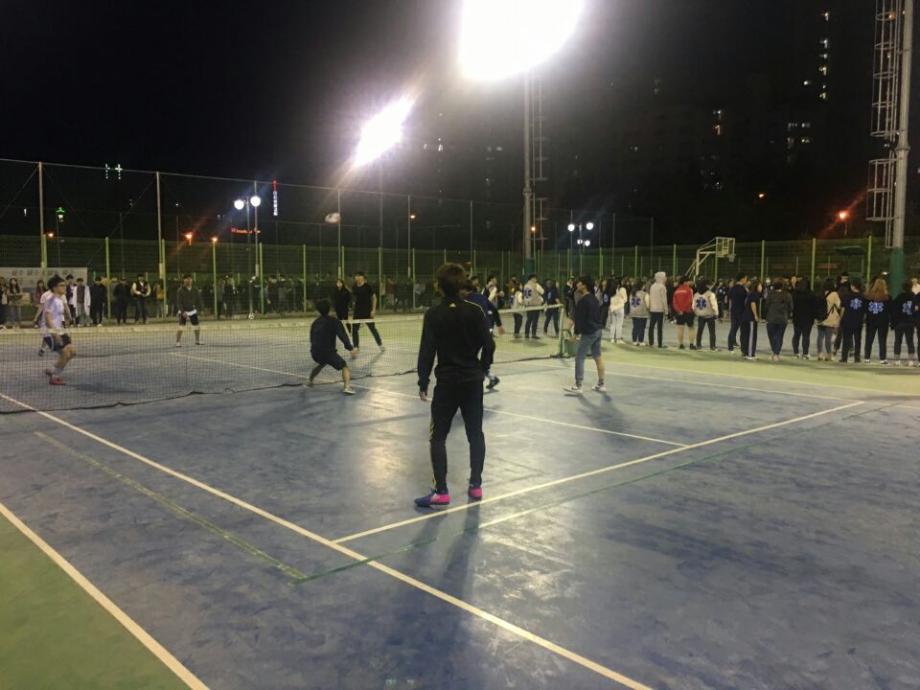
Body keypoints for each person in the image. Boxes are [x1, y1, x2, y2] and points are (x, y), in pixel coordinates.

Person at [415, 263, 495, 508]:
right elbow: (489, 345)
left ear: (439, 286)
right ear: (461, 284)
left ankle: (441, 491)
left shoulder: (433, 314)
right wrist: (482, 368)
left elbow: (427, 351)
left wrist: (423, 380)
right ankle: (476, 485)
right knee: (475, 434)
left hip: (447, 383)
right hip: (472, 382)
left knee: (438, 436)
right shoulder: (475, 311)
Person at [565, 276, 606, 394]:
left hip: (589, 332)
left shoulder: (583, 301)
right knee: (597, 356)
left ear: (584, 285)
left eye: (579, 283)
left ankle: (578, 386)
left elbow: (580, 320)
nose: (577, 284)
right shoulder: (594, 299)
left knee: (579, 357)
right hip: (598, 330)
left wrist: (575, 334)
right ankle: (601, 384)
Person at [308, 298, 358, 394]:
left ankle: (310, 381)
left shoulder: (315, 323)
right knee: (344, 366)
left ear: (318, 310)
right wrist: (351, 348)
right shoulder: (334, 321)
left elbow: (312, 338)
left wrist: (315, 349)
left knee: (321, 363)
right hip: (328, 352)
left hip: (315, 352)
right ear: (329, 309)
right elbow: (342, 335)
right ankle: (347, 387)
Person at [465, 276, 500, 389]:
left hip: (476, 336)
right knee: (482, 361)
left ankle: (476, 380)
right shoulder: (480, 297)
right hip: (485, 336)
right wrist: (499, 325)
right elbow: (494, 310)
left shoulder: (467, 300)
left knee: (470, 360)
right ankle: (491, 377)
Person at [41, 275, 76, 385]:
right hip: (50, 332)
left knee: (72, 352)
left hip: (60, 330)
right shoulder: (50, 300)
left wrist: (66, 321)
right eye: (61, 285)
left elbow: (58, 316)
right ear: (54, 287)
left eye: (64, 285)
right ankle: (54, 377)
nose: (64, 287)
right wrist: (55, 335)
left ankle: (52, 370)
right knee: (65, 352)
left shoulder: (60, 299)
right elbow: (48, 319)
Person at [350, 272, 383, 351]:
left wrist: (373, 310)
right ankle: (356, 346)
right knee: (354, 330)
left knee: (373, 329)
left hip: (367, 312)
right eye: (356, 276)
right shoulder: (354, 287)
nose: (357, 277)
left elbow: (374, 298)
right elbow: (354, 298)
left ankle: (380, 344)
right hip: (357, 312)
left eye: (359, 276)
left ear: (362, 277)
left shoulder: (368, 286)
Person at [763, 278, 793, 362]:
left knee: (772, 336)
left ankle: (775, 352)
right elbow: (791, 307)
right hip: (783, 319)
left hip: (771, 318)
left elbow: (766, 306)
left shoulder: (770, 294)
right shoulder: (787, 295)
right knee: (779, 336)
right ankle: (776, 353)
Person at [863, 277, 891, 365]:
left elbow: (865, 309)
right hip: (883, 321)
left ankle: (867, 358)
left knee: (869, 339)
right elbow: (890, 310)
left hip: (871, 320)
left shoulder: (868, 297)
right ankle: (882, 358)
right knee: (882, 340)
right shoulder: (887, 297)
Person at [891, 280, 918, 366]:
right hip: (910, 322)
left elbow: (894, 310)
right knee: (910, 341)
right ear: (911, 287)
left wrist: (893, 323)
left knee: (898, 341)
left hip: (899, 322)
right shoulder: (914, 297)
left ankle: (897, 360)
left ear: (903, 288)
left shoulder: (899, 297)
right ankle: (911, 361)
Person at [839, 278, 866, 364]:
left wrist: (840, 319)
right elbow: (865, 310)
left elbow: (842, 309)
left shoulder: (846, 296)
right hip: (858, 321)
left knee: (846, 339)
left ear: (853, 286)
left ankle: (844, 358)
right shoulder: (863, 297)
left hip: (847, 320)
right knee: (858, 340)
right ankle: (857, 358)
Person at [791, 277, 817, 359]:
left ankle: (796, 352)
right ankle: (805, 353)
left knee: (796, 335)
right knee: (806, 336)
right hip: (808, 318)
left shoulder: (795, 293)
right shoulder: (811, 294)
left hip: (797, 317)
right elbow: (814, 307)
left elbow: (792, 305)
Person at [174, 274, 203, 347]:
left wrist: (200, 309)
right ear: (184, 280)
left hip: (192, 310)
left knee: (197, 326)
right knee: (181, 327)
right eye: (187, 279)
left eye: (190, 279)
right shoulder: (180, 290)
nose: (189, 280)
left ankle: (197, 341)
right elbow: (179, 302)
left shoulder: (195, 289)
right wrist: (183, 312)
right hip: (183, 311)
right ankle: (178, 342)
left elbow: (198, 300)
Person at [692, 279, 719, 351]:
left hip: (700, 315)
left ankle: (698, 345)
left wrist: (695, 312)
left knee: (700, 331)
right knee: (712, 332)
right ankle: (712, 346)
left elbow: (693, 305)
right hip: (710, 315)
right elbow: (714, 305)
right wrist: (716, 313)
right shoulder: (710, 294)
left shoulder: (696, 294)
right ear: (707, 285)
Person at [672, 276, 696, 350]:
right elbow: (690, 301)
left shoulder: (676, 291)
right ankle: (691, 344)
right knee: (691, 328)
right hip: (688, 311)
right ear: (685, 282)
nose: (690, 282)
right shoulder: (689, 290)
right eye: (689, 281)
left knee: (680, 328)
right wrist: (684, 309)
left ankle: (681, 344)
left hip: (679, 312)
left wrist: (679, 310)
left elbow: (674, 302)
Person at [740, 279, 762, 360]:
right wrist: (755, 315)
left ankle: (744, 352)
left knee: (745, 335)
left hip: (745, 317)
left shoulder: (749, 294)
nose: (761, 287)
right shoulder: (754, 294)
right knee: (751, 336)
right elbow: (753, 304)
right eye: (760, 285)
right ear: (756, 286)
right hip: (750, 318)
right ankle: (750, 354)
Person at [648, 271, 668, 348]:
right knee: (660, 328)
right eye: (664, 277)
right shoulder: (662, 287)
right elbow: (664, 300)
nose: (665, 278)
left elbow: (650, 298)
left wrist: (650, 307)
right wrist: (666, 310)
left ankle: (651, 342)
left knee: (651, 326)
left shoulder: (652, 286)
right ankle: (660, 344)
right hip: (660, 310)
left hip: (652, 309)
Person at [522, 273, 544, 338]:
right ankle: (533, 334)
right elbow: (542, 291)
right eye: (535, 278)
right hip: (535, 305)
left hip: (528, 305)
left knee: (529, 320)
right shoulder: (536, 285)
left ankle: (526, 334)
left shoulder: (526, 285)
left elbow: (526, 296)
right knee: (535, 320)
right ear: (532, 278)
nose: (536, 279)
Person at [629, 281, 650, 345]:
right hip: (642, 313)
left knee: (635, 327)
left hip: (634, 312)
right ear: (641, 286)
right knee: (642, 327)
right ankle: (641, 341)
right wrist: (649, 309)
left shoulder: (632, 293)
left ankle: (634, 341)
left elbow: (630, 302)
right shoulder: (645, 294)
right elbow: (648, 304)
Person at [608, 279, 627, 344]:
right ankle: (618, 339)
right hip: (620, 308)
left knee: (613, 324)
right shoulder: (622, 289)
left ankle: (612, 338)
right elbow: (625, 299)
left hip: (612, 308)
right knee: (619, 324)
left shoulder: (611, 289)